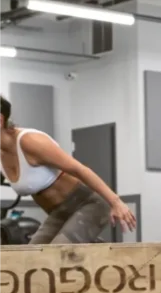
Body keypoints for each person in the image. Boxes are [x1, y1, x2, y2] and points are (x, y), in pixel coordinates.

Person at [0, 94, 135, 243]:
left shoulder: (29, 141)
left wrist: (116, 202)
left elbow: (79, 170)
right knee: (32, 258)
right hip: (58, 214)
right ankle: (91, 246)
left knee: (57, 254)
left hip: (88, 205)